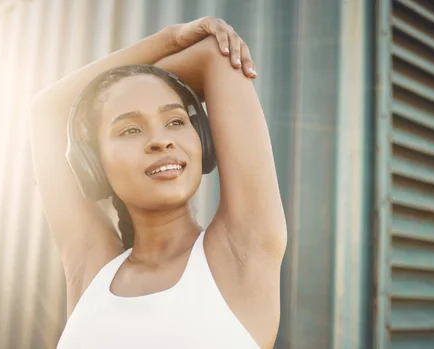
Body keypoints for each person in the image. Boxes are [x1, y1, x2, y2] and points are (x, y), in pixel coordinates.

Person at [29, 16, 287, 349]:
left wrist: (136, 85)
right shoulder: (92, 270)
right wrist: (168, 40)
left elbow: (214, 56)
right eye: (130, 130)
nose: (160, 141)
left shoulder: (241, 253)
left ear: (203, 143)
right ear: (94, 164)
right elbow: (45, 112)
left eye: (176, 121)